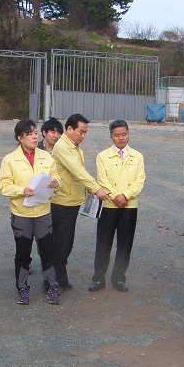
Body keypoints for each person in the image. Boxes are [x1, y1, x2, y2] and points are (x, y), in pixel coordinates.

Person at [0, 119, 61, 305]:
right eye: (29, 133)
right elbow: (3, 186)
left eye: (35, 132)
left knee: (48, 252)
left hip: (43, 213)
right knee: (23, 253)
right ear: (19, 137)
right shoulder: (9, 159)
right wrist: (21, 190)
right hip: (21, 214)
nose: (34, 136)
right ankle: (22, 288)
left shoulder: (47, 157)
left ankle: (52, 287)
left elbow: (56, 177)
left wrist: (56, 182)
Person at [49, 113, 110, 290]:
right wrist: (96, 188)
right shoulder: (63, 147)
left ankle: (59, 277)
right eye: (80, 132)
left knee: (66, 242)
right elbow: (78, 172)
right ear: (69, 129)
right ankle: (55, 280)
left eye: (85, 132)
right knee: (61, 243)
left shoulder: (74, 147)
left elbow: (78, 173)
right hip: (62, 202)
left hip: (72, 201)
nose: (83, 136)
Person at [90, 120, 146, 293]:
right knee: (103, 243)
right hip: (108, 206)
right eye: (117, 135)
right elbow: (102, 180)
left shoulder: (137, 156)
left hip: (129, 207)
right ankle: (99, 279)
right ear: (111, 136)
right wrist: (115, 196)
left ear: (128, 134)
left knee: (125, 244)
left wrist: (126, 196)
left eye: (124, 134)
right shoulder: (102, 156)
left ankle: (119, 278)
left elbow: (140, 180)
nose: (121, 138)